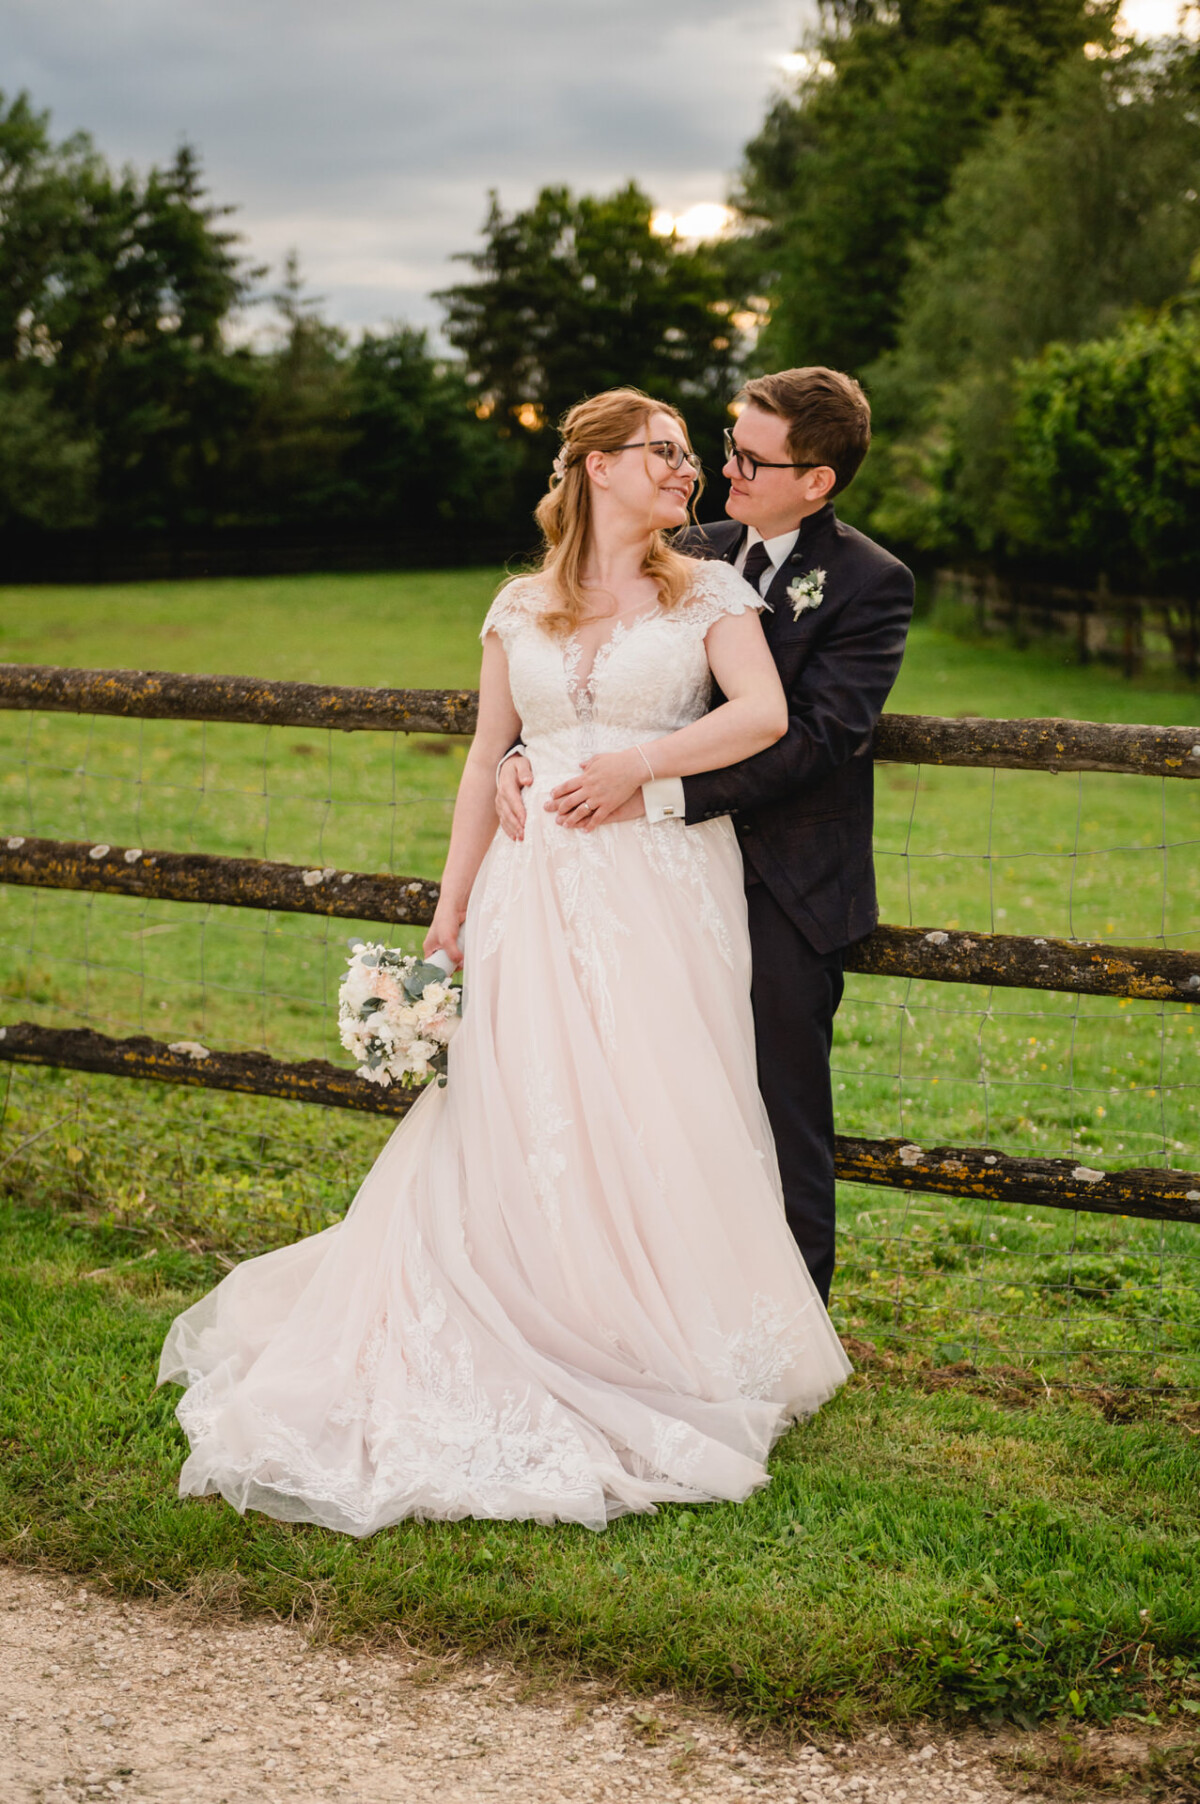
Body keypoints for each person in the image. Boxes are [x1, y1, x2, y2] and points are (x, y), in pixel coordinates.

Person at [158, 387, 851, 1537]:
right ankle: (520, 1308)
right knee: (526, 1100)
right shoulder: (517, 605)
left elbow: (766, 716)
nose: (690, 471)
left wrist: (638, 763)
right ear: (594, 465)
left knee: (651, 1099)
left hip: (658, 883)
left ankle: (650, 1332)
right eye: (667, 453)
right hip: (533, 890)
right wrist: (450, 916)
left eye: (692, 455)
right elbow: (487, 761)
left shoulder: (710, 591)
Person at [499, 369, 915, 1305]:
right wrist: (524, 754)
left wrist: (656, 792)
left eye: (752, 459)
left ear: (818, 482)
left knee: (774, 1101)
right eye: (729, 445)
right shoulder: (688, 546)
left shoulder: (869, 582)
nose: (725, 469)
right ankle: (638, 1291)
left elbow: (817, 737)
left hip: (786, 882)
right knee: (650, 1086)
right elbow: (591, 670)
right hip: (652, 873)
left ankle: (793, 1312)